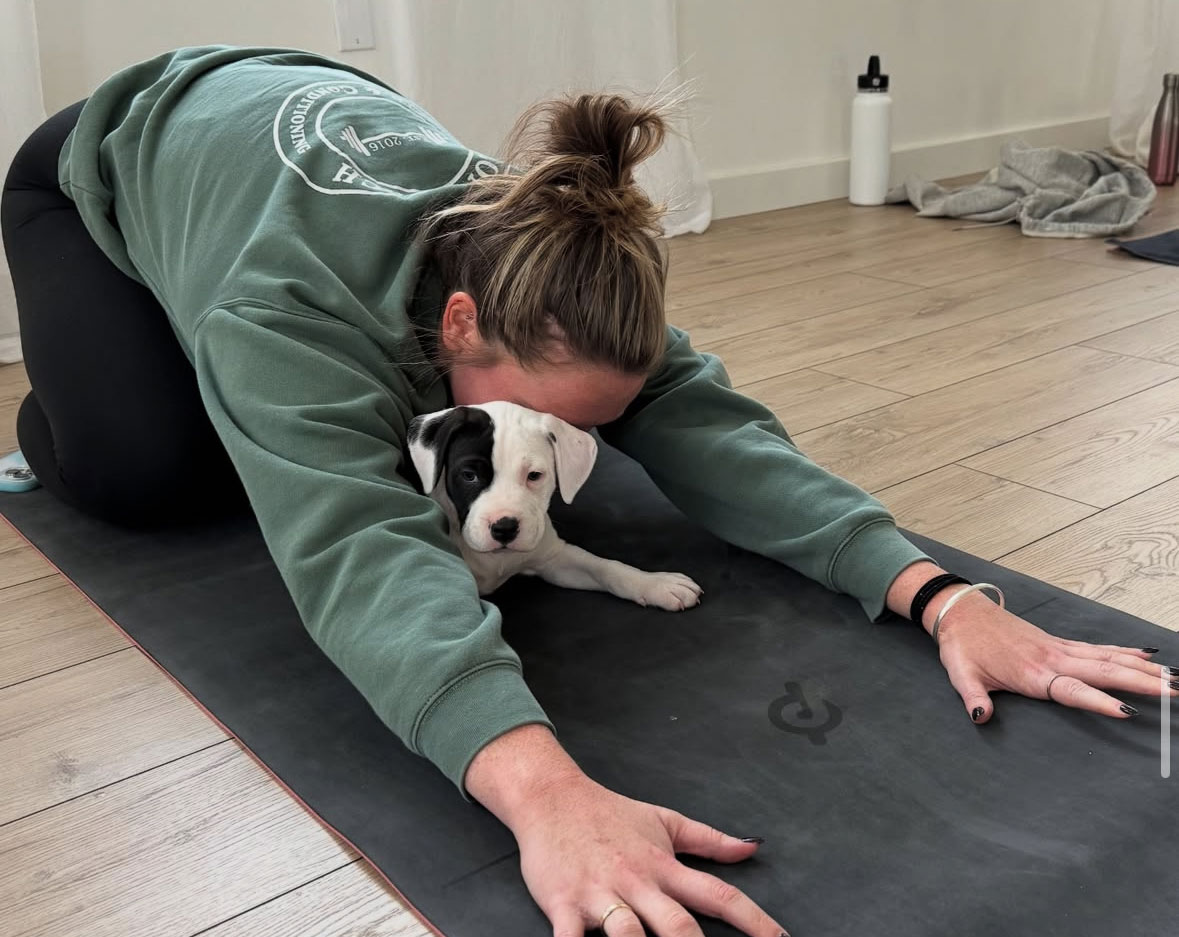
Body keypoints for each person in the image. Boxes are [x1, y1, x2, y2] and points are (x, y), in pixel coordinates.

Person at [2, 46, 1174, 937]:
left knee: (458, 430)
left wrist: (943, 596)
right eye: (563, 423)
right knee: (152, 475)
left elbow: (725, 441)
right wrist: (545, 793)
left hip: (295, 106)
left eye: (594, 428)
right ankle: (99, 382)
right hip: (97, 167)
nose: (587, 451)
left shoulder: (552, 261)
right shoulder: (283, 313)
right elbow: (356, 551)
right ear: (458, 323)